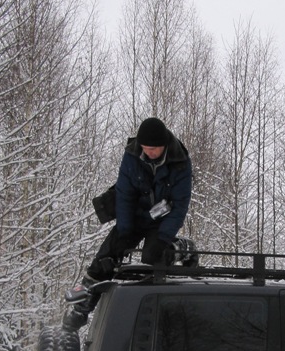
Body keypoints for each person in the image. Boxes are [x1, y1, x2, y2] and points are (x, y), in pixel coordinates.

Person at [65, 117, 193, 314]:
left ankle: (181, 247)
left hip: (161, 220)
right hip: (135, 214)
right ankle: (79, 312)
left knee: (153, 258)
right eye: (145, 148)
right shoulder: (132, 155)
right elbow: (124, 193)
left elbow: (180, 205)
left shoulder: (180, 162)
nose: (148, 152)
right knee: (107, 257)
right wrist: (124, 229)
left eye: (153, 149)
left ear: (164, 145)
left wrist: (164, 236)